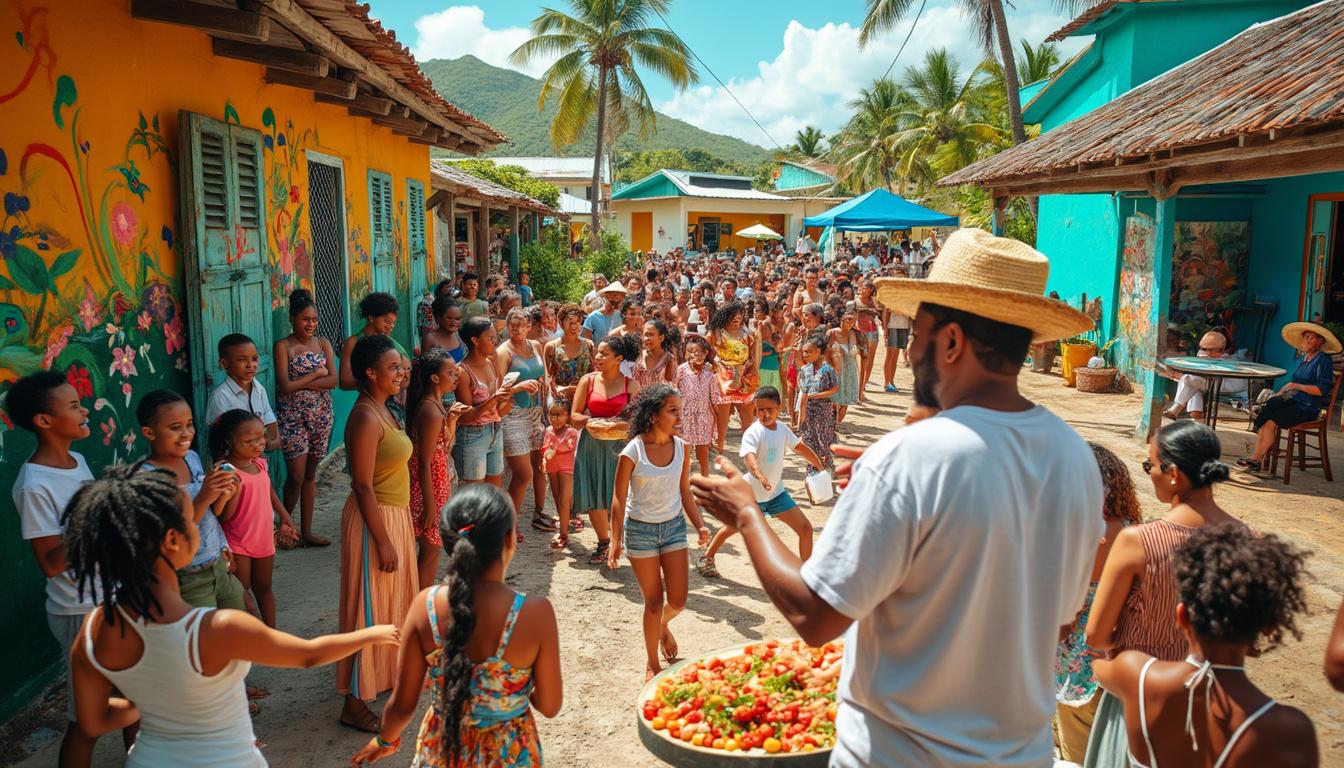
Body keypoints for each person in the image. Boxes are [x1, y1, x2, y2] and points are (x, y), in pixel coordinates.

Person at [689, 228, 1101, 767]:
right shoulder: (1076, 458)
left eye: (920, 334)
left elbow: (815, 617)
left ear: (951, 342)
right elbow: (1062, 619)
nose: (909, 355)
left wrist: (746, 512)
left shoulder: (912, 458)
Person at [65, 464, 398, 767]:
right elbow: (308, 656)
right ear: (172, 540)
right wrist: (371, 634)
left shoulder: (95, 628)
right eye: (191, 518)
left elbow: (93, 722)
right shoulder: (217, 628)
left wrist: (156, 704)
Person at [351, 485, 561, 767]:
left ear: (449, 541)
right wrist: (508, 690)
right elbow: (549, 705)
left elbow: (402, 705)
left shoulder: (425, 606)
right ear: (510, 539)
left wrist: (385, 740)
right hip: (509, 753)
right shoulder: (535, 613)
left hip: (441, 750)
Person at [1084, 421, 1252, 768]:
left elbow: (1097, 635)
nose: (1149, 474)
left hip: (1140, 698)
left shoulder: (1138, 542)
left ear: (1174, 473)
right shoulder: (1249, 539)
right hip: (1214, 700)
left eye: (1150, 465)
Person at [1092, 525, 1318, 768]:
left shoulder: (1136, 675)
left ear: (1182, 617)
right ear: (1269, 626)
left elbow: (1097, 662)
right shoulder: (1291, 731)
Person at [7, 371, 128, 765]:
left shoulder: (75, 460)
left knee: (131, 693)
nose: (84, 410)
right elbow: (51, 563)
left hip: (111, 596)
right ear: (44, 421)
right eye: (73, 405)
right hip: (81, 610)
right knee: (89, 721)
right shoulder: (34, 484)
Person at [338, 334, 418, 732]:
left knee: (391, 604)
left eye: (402, 367)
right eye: (393, 368)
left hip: (394, 516)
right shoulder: (367, 416)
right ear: (370, 373)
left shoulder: (384, 409)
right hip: (375, 522)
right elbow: (362, 485)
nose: (401, 373)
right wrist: (383, 540)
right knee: (367, 608)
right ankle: (353, 702)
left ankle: (380, 677)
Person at [607, 385, 711, 681]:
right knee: (653, 602)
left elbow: (684, 491)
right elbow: (618, 497)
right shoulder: (632, 451)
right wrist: (615, 540)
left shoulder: (683, 447)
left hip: (674, 527)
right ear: (654, 416)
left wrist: (699, 524)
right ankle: (652, 662)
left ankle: (663, 625)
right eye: (673, 410)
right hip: (640, 531)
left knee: (677, 600)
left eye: (680, 409)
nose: (680, 415)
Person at [1053, 443, 1143, 763]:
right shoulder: (1135, 534)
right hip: (1117, 659)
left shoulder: (1071, 534)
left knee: (1074, 753)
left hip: (1071, 664)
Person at [698, 387, 825, 579]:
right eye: (761, 410)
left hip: (775, 495)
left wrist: (819, 465)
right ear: (755, 410)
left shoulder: (782, 429)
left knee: (805, 529)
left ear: (779, 407)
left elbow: (799, 448)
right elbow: (749, 459)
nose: (765, 414)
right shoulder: (753, 433)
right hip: (751, 496)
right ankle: (707, 557)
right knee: (732, 527)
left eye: (770, 409)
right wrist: (759, 475)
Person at [137, 390, 242, 611]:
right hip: (188, 577)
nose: (186, 433)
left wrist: (226, 493)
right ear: (149, 432)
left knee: (239, 625)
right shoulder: (147, 479)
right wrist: (204, 496)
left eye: (190, 424)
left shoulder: (192, 459)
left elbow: (212, 514)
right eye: (175, 427)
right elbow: (169, 537)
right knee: (204, 641)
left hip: (218, 565)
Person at [570, 333, 643, 566]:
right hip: (591, 444)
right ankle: (603, 542)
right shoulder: (587, 381)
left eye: (604, 353)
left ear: (619, 358)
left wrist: (619, 424)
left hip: (621, 448)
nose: (598, 357)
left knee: (619, 495)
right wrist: (591, 422)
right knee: (594, 494)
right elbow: (574, 416)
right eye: (597, 352)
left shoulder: (631, 385)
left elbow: (639, 420)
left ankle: (618, 540)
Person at [274, 289, 337, 547]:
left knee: (311, 475)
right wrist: (316, 375)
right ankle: (285, 528)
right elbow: (285, 387)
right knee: (296, 476)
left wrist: (308, 381)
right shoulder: (283, 346)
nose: (310, 324)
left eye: (314, 319)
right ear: (292, 319)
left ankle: (307, 532)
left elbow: (333, 381)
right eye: (304, 319)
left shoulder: (323, 344)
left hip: (321, 416)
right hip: (292, 418)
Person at [1237, 321, 1340, 473]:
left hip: (1307, 408)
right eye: (1305, 337)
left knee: (1269, 419)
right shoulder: (1305, 360)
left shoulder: (1323, 360)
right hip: (1295, 402)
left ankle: (1256, 445)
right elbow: (1294, 385)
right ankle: (1257, 459)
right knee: (1271, 413)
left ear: (1320, 341)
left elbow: (1322, 390)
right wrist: (1286, 389)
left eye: (1311, 338)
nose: (1307, 340)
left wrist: (1296, 386)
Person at [407, 349, 470, 590]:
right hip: (428, 488)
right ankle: (421, 603)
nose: (456, 377)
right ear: (435, 378)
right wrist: (431, 505)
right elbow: (423, 461)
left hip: (436, 483)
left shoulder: (435, 405)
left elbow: (440, 449)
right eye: (451, 373)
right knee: (431, 550)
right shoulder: (431, 410)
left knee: (431, 550)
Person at [496, 308, 549, 531]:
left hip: (537, 412)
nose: (517, 329)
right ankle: (509, 523)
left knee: (539, 467)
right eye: (512, 325)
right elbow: (499, 389)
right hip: (513, 414)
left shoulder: (536, 346)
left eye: (521, 325)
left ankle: (539, 514)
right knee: (523, 473)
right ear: (507, 326)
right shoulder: (503, 352)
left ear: (529, 326)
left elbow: (544, 376)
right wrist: (519, 387)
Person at [207, 334, 280, 452]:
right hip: (236, 463)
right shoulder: (220, 397)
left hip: (259, 459)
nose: (250, 365)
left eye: (254, 359)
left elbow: (268, 417)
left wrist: (269, 442)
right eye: (241, 359)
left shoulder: (258, 388)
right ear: (224, 363)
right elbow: (218, 439)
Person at [1161, 330, 1245, 421]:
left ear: (1219, 350)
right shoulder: (1210, 358)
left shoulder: (1225, 359)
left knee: (1188, 379)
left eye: (1205, 349)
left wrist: (1178, 375)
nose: (1201, 352)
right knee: (1192, 384)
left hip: (1227, 386)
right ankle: (1196, 416)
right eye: (1200, 348)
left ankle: (1175, 410)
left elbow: (1207, 372)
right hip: (1213, 383)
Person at [708, 302, 757, 452]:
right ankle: (720, 445)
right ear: (725, 316)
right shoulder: (717, 333)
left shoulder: (748, 334)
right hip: (724, 377)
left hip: (745, 376)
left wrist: (749, 372)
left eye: (740, 314)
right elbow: (708, 354)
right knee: (723, 415)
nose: (737, 318)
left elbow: (753, 357)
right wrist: (717, 364)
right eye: (733, 315)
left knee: (747, 413)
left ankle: (749, 448)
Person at [341, 293, 411, 392]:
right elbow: (344, 381)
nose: (390, 326)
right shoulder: (353, 342)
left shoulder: (390, 343)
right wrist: (378, 378)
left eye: (393, 323)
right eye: (387, 321)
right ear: (371, 317)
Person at [674, 335, 720, 477]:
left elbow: (714, 398)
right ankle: (683, 486)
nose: (696, 355)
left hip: (704, 418)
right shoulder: (681, 370)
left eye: (700, 352)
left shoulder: (710, 372)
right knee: (684, 457)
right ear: (686, 353)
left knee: (703, 457)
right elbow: (674, 391)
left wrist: (717, 421)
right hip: (685, 417)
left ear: (706, 353)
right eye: (692, 352)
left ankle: (705, 484)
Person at [793, 333, 839, 473]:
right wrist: (800, 418)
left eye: (808, 352)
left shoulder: (828, 370)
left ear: (818, 352)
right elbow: (802, 393)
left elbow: (835, 389)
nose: (805, 355)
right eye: (803, 352)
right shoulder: (804, 370)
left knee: (823, 439)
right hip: (808, 409)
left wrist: (816, 396)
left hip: (823, 411)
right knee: (808, 439)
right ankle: (814, 466)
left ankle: (826, 465)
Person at [543, 400, 581, 549]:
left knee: (564, 500)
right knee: (558, 499)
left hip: (567, 468)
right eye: (552, 414)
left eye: (559, 415)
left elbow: (570, 445)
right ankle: (564, 527)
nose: (555, 418)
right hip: (553, 467)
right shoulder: (548, 431)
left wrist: (559, 446)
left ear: (567, 416)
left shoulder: (570, 431)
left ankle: (563, 535)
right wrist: (544, 458)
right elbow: (544, 448)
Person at [545, 304, 595, 406]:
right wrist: (560, 390)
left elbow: (594, 374)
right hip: (559, 399)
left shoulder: (588, 345)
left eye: (577, 321)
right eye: (570, 321)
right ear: (560, 322)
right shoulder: (551, 347)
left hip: (584, 398)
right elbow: (547, 377)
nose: (573, 326)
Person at [829, 308, 863, 424]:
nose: (851, 322)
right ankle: (832, 422)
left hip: (850, 370)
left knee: (846, 398)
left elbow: (861, 355)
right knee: (833, 397)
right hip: (836, 369)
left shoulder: (855, 334)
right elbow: (825, 352)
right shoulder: (832, 333)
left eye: (853, 320)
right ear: (841, 319)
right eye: (848, 319)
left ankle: (838, 423)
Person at [852, 280, 882, 399]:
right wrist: (867, 310)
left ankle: (863, 385)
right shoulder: (855, 301)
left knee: (870, 359)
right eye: (864, 288)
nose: (865, 291)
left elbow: (878, 312)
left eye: (868, 289)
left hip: (872, 331)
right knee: (860, 360)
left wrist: (868, 310)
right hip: (860, 332)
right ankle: (859, 386)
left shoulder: (873, 301)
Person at [634, 318, 679, 386]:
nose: (647, 339)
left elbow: (671, 388)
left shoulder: (669, 360)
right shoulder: (639, 356)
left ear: (661, 338)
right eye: (646, 335)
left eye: (651, 335)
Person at [422, 295, 466, 363]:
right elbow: (424, 366)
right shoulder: (431, 339)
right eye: (449, 318)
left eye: (457, 319)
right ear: (438, 317)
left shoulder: (458, 334)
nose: (453, 322)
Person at [881, 298, 911, 394]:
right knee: (890, 355)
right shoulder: (892, 295)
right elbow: (886, 311)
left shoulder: (908, 297)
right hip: (892, 325)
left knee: (896, 356)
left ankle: (891, 381)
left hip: (904, 326)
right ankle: (886, 382)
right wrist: (885, 328)